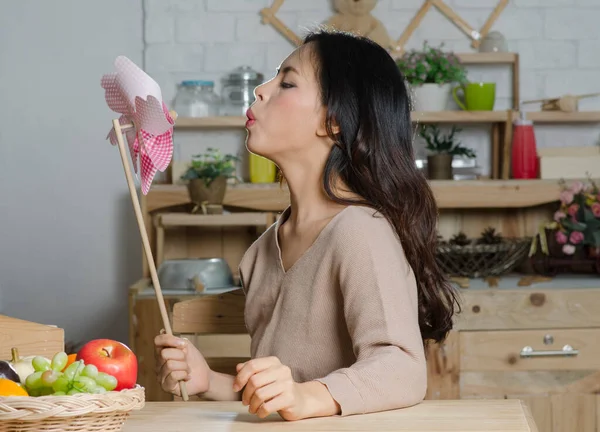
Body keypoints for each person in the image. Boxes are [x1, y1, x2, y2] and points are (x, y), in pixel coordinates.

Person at [154, 29, 460, 421]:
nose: (260, 91)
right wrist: (208, 380)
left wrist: (305, 398)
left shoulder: (360, 232)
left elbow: (403, 368)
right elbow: (280, 398)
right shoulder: (265, 248)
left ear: (332, 121)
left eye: (287, 81)